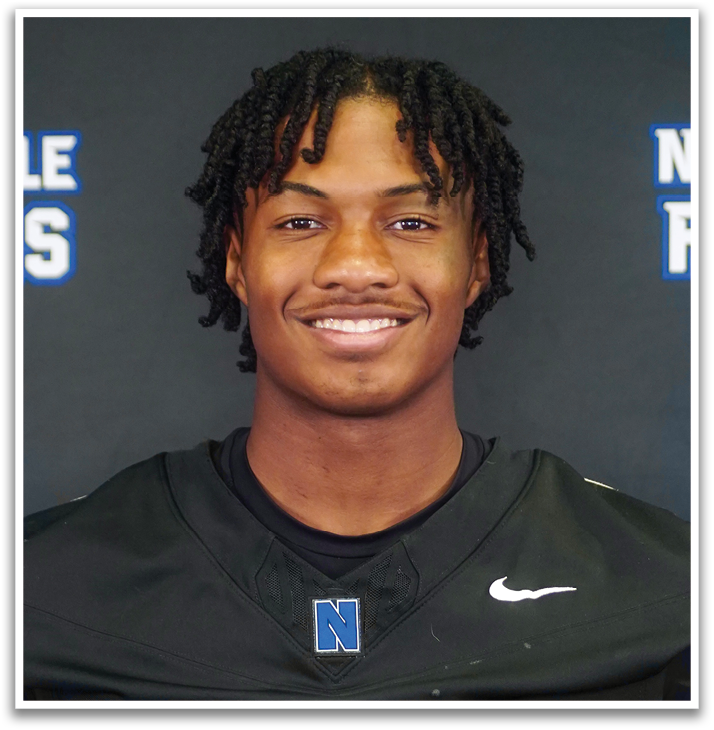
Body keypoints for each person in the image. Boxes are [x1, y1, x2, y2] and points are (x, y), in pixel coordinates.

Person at [24, 48, 690, 701]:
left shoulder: (666, 593)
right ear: (236, 261)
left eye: (410, 221)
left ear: (477, 264)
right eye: (301, 221)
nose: (356, 266)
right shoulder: (42, 594)